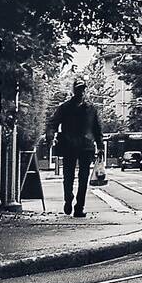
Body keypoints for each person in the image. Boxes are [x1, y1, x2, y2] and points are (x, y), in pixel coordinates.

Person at [48, 76, 104, 217]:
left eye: (83, 90)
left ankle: (79, 207)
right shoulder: (65, 107)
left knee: (83, 178)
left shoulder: (91, 109)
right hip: (69, 146)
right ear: (74, 91)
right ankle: (68, 198)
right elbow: (53, 123)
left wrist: (100, 146)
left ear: (85, 91)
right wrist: (50, 135)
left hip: (86, 147)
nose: (81, 92)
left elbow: (97, 129)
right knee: (68, 176)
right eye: (78, 90)